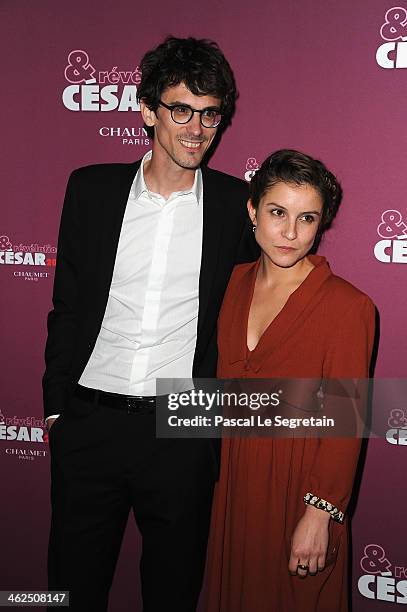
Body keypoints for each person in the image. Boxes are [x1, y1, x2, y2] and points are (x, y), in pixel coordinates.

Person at [43, 36, 257, 612]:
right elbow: (66, 305)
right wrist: (58, 408)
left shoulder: (238, 207)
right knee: (68, 589)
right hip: (90, 419)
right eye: (181, 109)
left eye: (210, 113)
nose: (197, 128)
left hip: (181, 431)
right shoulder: (91, 189)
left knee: (173, 592)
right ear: (146, 110)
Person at [205, 149, 376, 612]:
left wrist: (319, 515)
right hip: (230, 488)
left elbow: (346, 420)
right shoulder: (228, 285)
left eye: (307, 218)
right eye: (277, 212)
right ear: (252, 210)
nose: (290, 232)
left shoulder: (348, 306)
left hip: (299, 490)